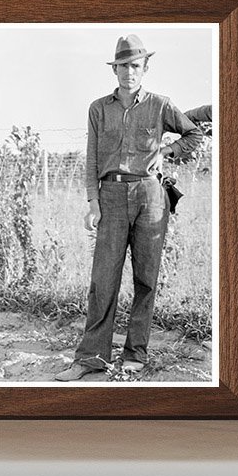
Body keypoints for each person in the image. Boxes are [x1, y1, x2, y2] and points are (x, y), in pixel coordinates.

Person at [56, 34, 204, 381]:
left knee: (145, 278)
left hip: (150, 196)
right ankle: (91, 357)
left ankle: (135, 354)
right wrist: (93, 203)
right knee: (103, 279)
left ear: (145, 68)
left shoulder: (160, 104)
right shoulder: (98, 108)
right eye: (122, 66)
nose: (129, 72)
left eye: (135, 65)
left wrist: (166, 152)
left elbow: (194, 134)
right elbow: (92, 158)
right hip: (110, 195)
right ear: (115, 70)